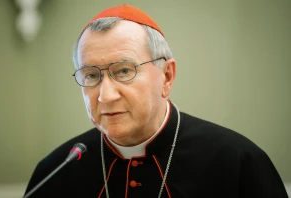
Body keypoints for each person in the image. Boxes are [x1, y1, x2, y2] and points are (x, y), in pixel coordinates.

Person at [24, 4, 288, 198]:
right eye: (91, 75)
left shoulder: (238, 163)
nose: (105, 95)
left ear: (167, 76)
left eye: (124, 71)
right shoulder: (55, 172)